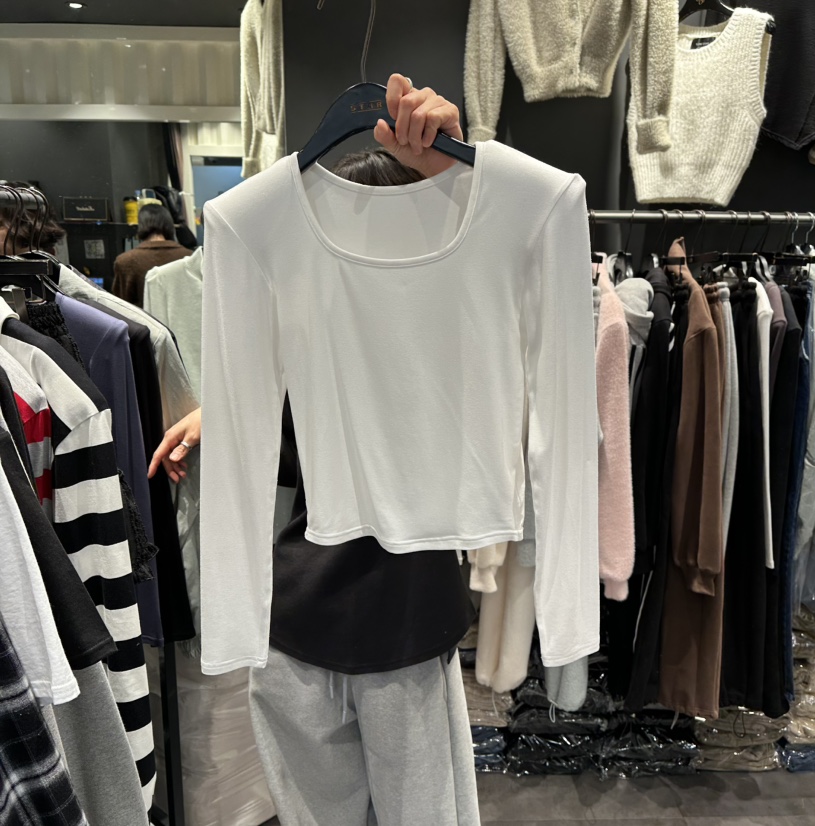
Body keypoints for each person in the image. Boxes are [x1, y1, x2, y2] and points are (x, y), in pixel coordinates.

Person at [150, 75, 482, 826]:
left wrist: (454, 180)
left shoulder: (440, 334)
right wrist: (228, 414)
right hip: (339, 629)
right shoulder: (399, 345)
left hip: (351, 622)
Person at [112, 203, 191, 306]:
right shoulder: (189, 257)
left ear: (140, 225)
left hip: (141, 317)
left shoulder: (124, 261)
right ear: (170, 224)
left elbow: (120, 305)